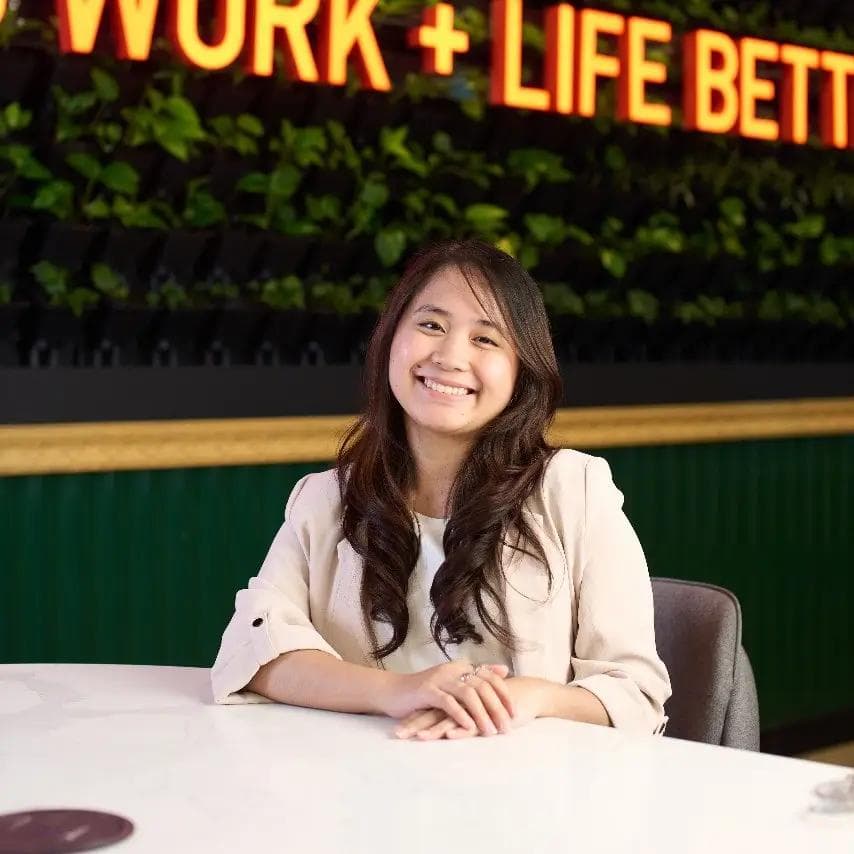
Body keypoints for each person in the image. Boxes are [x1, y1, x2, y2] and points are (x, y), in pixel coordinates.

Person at [211, 238, 671, 741]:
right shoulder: (328, 497)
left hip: (527, 798)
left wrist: (527, 697)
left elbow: (635, 691)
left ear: (522, 369)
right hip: (357, 790)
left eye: (486, 339)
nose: (450, 356)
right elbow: (254, 654)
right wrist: (401, 691)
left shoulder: (574, 490)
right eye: (431, 325)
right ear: (391, 339)